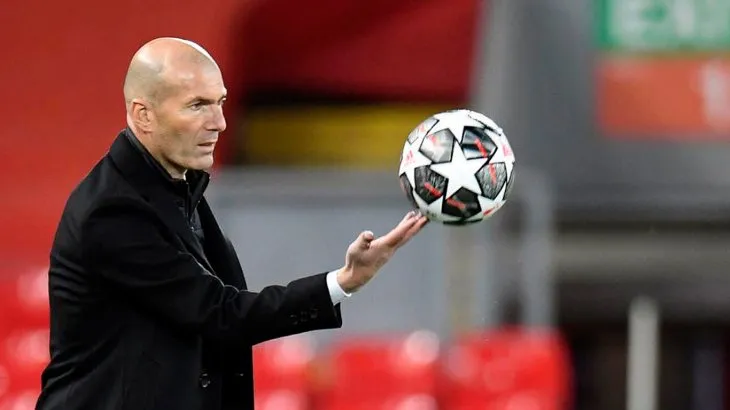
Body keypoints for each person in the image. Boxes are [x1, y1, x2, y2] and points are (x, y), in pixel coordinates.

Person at [35, 37, 428, 410]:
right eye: (197, 105)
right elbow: (220, 314)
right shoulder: (113, 211)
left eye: (220, 102)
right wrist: (343, 281)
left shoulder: (178, 188)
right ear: (144, 115)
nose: (220, 122)